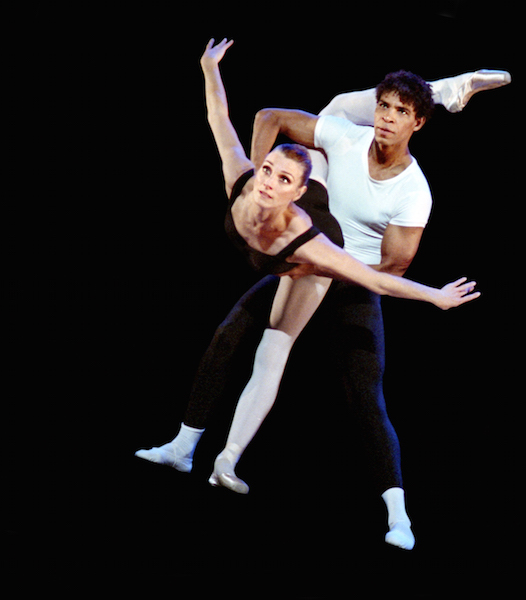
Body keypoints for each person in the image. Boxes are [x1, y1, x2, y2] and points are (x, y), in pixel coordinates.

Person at [135, 39, 506, 550]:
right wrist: (267, 182)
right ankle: (186, 447)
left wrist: (422, 293)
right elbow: (245, 119)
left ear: (417, 124)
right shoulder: (345, 140)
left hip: (350, 273)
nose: (385, 118)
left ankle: (398, 514)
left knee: (365, 398)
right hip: (309, 257)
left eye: (400, 112)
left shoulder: (412, 190)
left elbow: (390, 269)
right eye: (382, 106)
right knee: (232, 336)